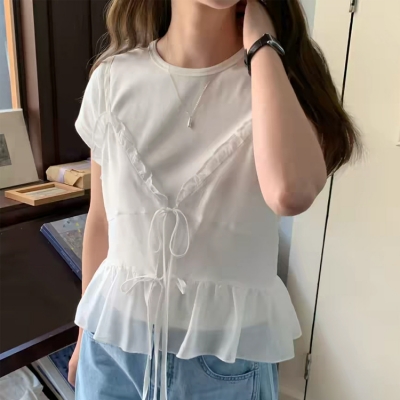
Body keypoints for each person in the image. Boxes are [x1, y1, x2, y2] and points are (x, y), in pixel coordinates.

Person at [69, 0, 360, 399]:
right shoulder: (111, 79)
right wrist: (84, 333)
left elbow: (289, 192)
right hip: (111, 351)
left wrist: (262, 45)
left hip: (224, 361)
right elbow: (101, 221)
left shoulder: (275, 84)